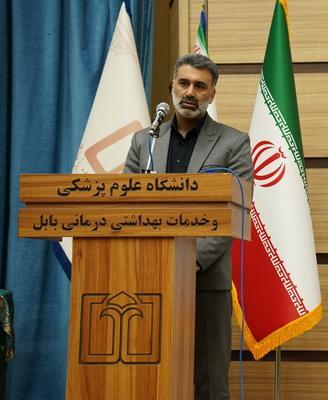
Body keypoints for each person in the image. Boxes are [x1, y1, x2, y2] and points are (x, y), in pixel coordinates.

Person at [123, 53, 253, 400]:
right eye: (184, 83)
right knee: (149, 377)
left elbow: (235, 212)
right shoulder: (144, 141)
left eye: (200, 86)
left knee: (208, 381)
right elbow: (123, 206)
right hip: (145, 279)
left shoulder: (233, 143)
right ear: (172, 86)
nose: (190, 92)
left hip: (205, 281)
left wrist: (188, 261)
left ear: (212, 94)